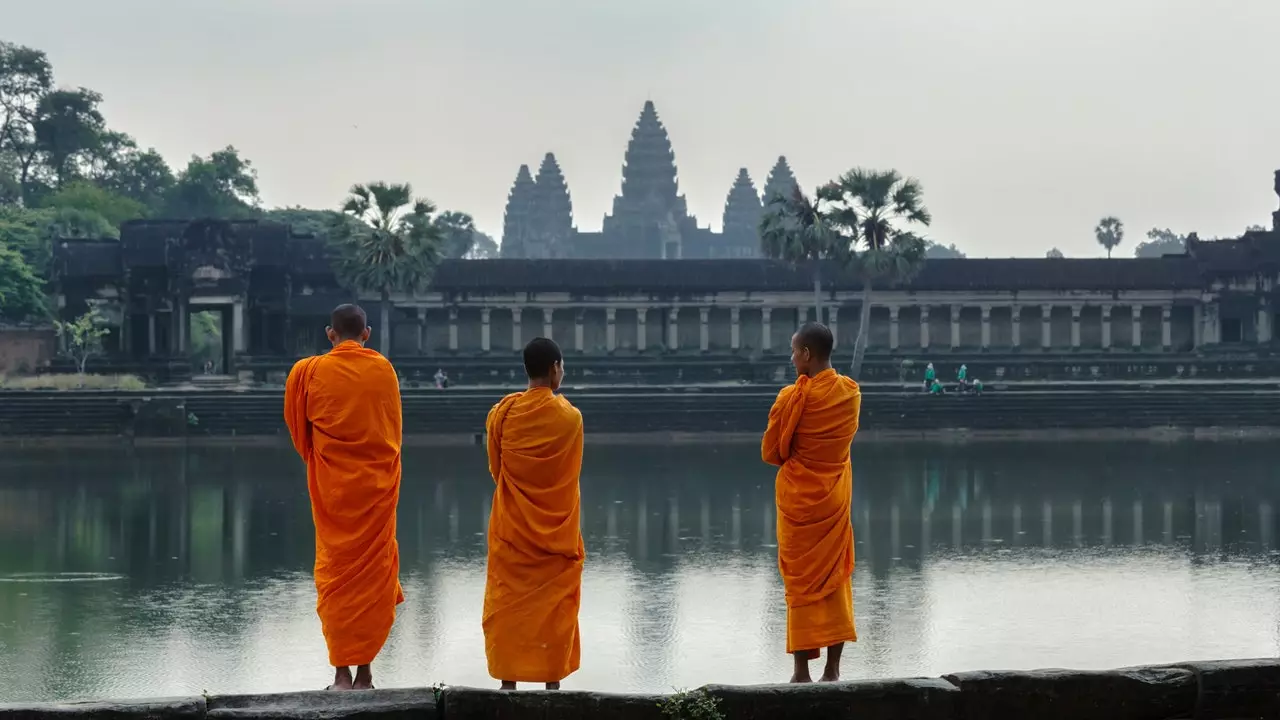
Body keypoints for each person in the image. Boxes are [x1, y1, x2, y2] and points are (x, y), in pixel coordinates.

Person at [284, 304, 405, 691]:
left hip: (334, 494)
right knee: (371, 583)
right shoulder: (384, 369)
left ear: (329, 333)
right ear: (366, 333)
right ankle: (366, 673)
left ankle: (341, 675)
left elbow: (298, 430)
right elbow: (393, 435)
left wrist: (322, 459)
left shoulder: (308, 372)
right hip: (375, 492)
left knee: (336, 579)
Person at [483, 337, 585, 691]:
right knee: (552, 609)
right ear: (555, 368)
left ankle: (508, 684)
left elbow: (497, 472)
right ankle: (551, 685)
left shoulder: (502, 415)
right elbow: (569, 476)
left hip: (513, 532)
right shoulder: (570, 418)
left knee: (511, 606)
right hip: (555, 535)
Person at [761, 322, 861, 683]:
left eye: (793, 351)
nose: (791, 358)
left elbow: (773, 452)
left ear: (806, 354)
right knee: (835, 579)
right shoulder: (850, 393)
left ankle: (801, 670)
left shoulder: (791, 398)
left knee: (800, 582)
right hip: (833, 499)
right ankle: (833, 669)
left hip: (800, 503)